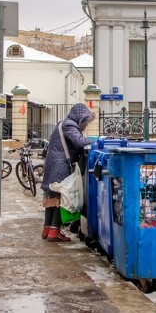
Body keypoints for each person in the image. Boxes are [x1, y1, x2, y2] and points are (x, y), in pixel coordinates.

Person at [41, 103, 95, 242]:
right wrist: (99, 142)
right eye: (86, 123)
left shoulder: (64, 124)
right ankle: (54, 232)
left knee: (52, 197)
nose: (86, 126)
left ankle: (47, 229)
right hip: (60, 165)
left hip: (53, 164)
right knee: (62, 197)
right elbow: (79, 142)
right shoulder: (70, 126)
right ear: (80, 119)